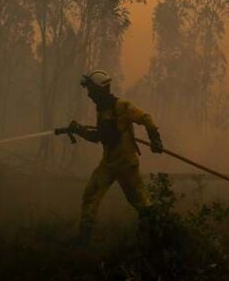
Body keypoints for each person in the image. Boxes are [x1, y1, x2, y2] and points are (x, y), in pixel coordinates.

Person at [64, 69, 164, 244]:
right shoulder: (102, 111)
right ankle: (83, 240)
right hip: (108, 164)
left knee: (141, 202)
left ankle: (156, 235)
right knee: (90, 195)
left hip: (126, 165)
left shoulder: (122, 106)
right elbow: (101, 136)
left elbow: (146, 118)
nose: (89, 95)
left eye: (91, 91)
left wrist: (155, 139)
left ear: (101, 90)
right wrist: (79, 130)